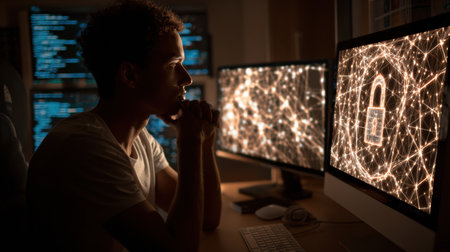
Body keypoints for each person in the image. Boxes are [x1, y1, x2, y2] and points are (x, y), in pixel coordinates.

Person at [26, 0, 221, 251]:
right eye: (173, 66)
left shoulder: (139, 139)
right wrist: (190, 142)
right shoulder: (84, 149)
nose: (186, 78)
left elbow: (207, 219)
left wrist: (204, 143)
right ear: (130, 75)